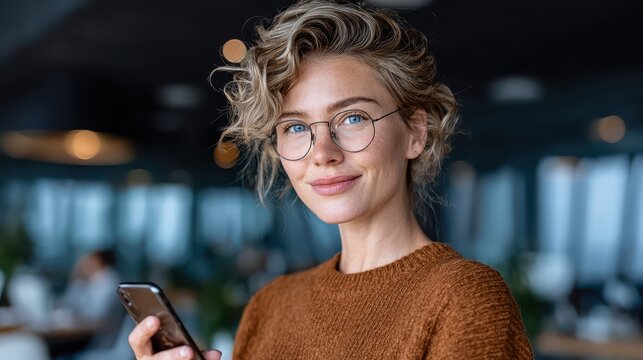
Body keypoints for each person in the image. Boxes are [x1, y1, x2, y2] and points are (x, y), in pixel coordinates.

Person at [128, 1, 534, 359]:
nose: (323, 153)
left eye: (353, 118)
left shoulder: (464, 298)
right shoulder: (269, 307)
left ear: (415, 132)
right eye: (295, 128)